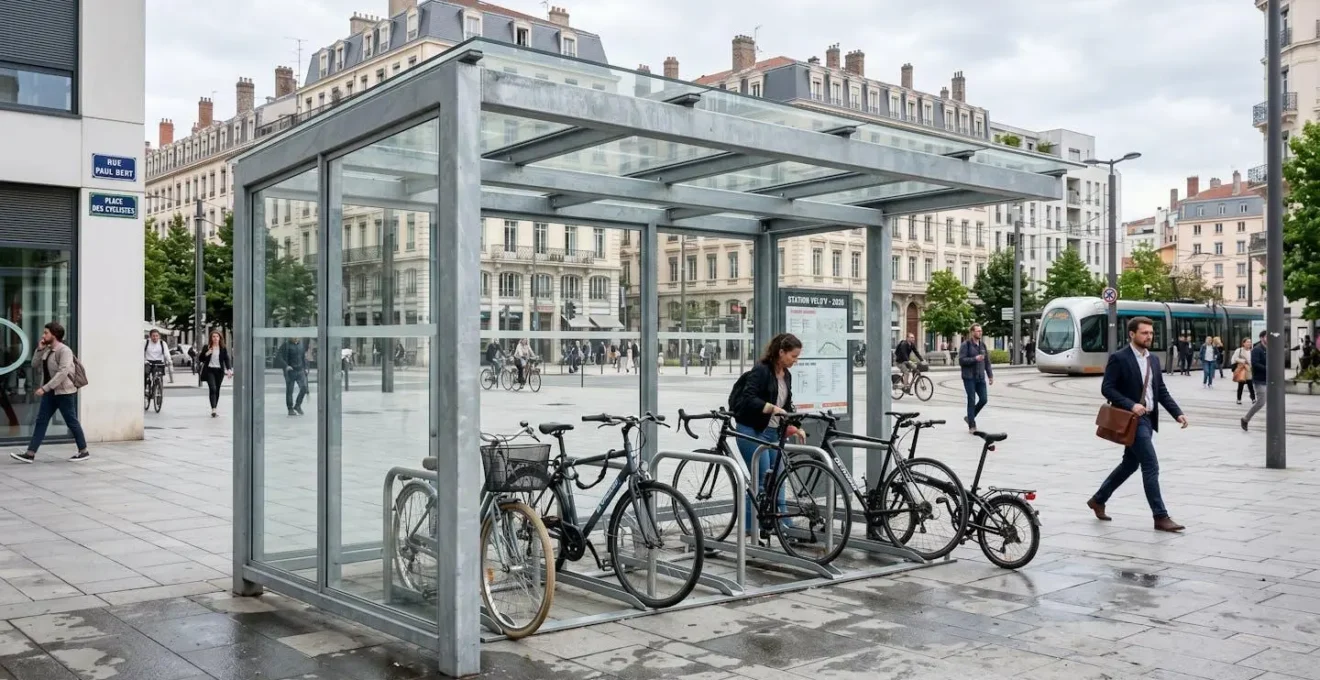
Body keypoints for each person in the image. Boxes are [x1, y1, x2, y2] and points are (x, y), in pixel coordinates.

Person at [1087, 316, 1188, 533]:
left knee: (1130, 464)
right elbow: (1108, 388)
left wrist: (1177, 413)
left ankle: (1098, 499)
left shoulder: (1153, 360)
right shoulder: (1120, 358)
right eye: (1144, 333)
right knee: (1151, 465)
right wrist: (1131, 404)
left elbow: (1160, 391)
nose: (1149, 336)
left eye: (1151, 333)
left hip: (1148, 420)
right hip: (1132, 419)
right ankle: (1160, 516)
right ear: (1132, 334)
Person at [731, 333, 806, 535]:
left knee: (778, 478)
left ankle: (781, 521)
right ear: (781, 352)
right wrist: (771, 408)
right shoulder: (761, 370)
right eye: (793, 356)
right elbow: (749, 399)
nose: (795, 361)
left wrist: (795, 426)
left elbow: (787, 404)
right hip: (753, 430)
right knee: (761, 481)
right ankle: (749, 527)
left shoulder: (786, 375)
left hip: (774, 433)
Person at [10, 322, 89, 463]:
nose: (43, 335)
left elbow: (62, 373)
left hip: (64, 393)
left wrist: (44, 388)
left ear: (55, 335)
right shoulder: (47, 350)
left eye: (46, 333)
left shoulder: (65, 351)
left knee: (71, 421)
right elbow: (34, 364)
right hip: (50, 393)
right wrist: (39, 350)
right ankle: (30, 453)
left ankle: (83, 451)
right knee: (41, 421)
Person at [958, 324, 994, 434]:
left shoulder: (982, 345)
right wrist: (974, 359)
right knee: (971, 399)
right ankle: (972, 425)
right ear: (972, 332)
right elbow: (961, 361)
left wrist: (990, 375)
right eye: (978, 331)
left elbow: (987, 361)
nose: (980, 333)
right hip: (969, 377)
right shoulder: (966, 345)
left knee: (984, 399)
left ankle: (970, 417)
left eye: (981, 331)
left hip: (980, 377)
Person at [197, 330, 232, 418]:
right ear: (211, 338)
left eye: (217, 336)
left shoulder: (223, 348)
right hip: (209, 371)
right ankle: (213, 409)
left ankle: (215, 407)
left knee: (217, 390)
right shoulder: (207, 347)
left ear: (220, 338)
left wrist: (229, 369)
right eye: (213, 336)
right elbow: (200, 358)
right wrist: (207, 353)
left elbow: (226, 359)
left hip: (219, 371)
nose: (215, 338)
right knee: (212, 388)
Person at [1241, 331, 1270, 431]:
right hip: (1260, 380)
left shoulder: (1270, 349)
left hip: (1270, 380)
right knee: (1261, 402)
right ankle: (1245, 419)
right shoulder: (1257, 350)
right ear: (1262, 338)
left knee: (1274, 402)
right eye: (1267, 337)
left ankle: (1273, 422)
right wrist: (1268, 368)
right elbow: (1255, 364)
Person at [278, 337, 309, 416]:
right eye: (294, 337)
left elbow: (303, 358)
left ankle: (297, 405)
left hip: (300, 370)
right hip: (290, 371)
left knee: (304, 388)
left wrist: (306, 368)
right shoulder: (286, 345)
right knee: (290, 390)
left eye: (297, 337)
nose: (296, 338)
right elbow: (279, 357)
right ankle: (290, 408)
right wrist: (286, 366)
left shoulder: (301, 345)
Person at [1231, 337, 1256, 405]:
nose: (1249, 343)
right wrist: (1243, 361)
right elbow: (1234, 358)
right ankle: (1239, 399)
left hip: (1249, 369)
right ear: (1243, 343)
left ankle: (1253, 398)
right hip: (1241, 369)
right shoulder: (1239, 350)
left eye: (1250, 342)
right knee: (1241, 384)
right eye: (1247, 342)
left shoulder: (1252, 351)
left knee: (1250, 384)